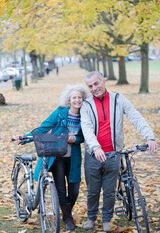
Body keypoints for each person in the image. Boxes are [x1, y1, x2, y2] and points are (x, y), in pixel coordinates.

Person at [80, 71, 157, 232]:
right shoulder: (86, 105)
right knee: (93, 191)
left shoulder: (118, 99)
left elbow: (135, 116)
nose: (94, 88)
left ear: (104, 81)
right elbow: (86, 129)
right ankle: (91, 217)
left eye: (96, 84)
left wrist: (149, 137)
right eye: (90, 86)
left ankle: (107, 219)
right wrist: (96, 147)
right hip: (93, 156)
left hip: (114, 155)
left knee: (109, 190)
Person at [14, 84, 87, 231]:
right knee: (60, 188)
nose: (77, 100)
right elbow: (43, 127)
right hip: (56, 155)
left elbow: (85, 135)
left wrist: (76, 139)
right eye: (74, 97)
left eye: (79, 97)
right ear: (69, 99)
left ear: (83, 99)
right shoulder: (60, 113)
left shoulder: (85, 115)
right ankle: (67, 218)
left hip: (73, 157)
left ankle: (65, 211)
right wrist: (27, 137)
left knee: (74, 191)